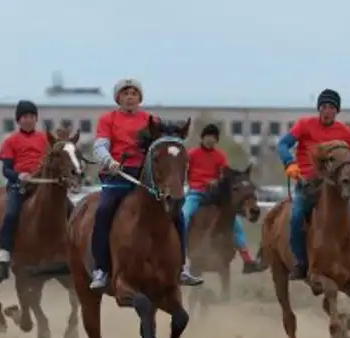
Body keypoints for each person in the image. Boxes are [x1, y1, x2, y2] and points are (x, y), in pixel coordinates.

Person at [88, 78, 203, 290]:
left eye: (134, 93)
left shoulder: (152, 120)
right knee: (103, 211)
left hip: (147, 178)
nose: (130, 97)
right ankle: (101, 269)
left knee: (177, 214)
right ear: (118, 98)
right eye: (125, 93)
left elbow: (163, 148)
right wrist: (109, 161)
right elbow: (100, 146)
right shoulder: (107, 120)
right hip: (118, 177)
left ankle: (182, 267)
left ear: (139, 98)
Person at [276, 88, 350, 280]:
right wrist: (289, 163)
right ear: (319, 109)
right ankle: (301, 264)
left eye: (331, 107)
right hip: (307, 185)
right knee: (297, 217)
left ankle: (349, 266)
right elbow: (282, 144)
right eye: (323, 106)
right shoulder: (304, 125)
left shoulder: (344, 132)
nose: (327, 110)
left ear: (337, 111)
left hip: (333, 190)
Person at [182, 124, 265, 274]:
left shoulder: (220, 156)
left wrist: (218, 181)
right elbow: (185, 171)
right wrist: (196, 183)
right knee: (185, 215)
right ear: (203, 138)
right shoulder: (192, 154)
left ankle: (247, 260)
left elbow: (225, 175)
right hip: (196, 192)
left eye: (214, 138)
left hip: (215, 195)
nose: (211, 140)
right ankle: (181, 258)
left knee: (236, 223)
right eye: (208, 136)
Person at [0, 100, 49, 284]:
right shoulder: (10, 142)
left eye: (31, 117)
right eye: (24, 117)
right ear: (18, 120)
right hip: (19, 186)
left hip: (43, 184)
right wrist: (19, 176)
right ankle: (4, 261)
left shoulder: (45, 139)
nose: (28, 120)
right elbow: (6, 170)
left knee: (69, 210)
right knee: (11, 215)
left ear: (36, 118)